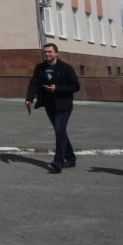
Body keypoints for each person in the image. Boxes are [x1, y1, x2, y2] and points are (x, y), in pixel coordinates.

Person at [25, 43, 80, 173]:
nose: (47, 54)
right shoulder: (40, 67)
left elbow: (75, 86)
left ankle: (58, 161)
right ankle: (71, 158)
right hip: (49, 104)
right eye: (45, 52)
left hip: (63, 104)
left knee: (59, 129)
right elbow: (34, 84)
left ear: (56, 53)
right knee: (60, 131)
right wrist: (29, 98)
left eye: (50, 52)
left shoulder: (66, 68)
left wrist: (58, 89)